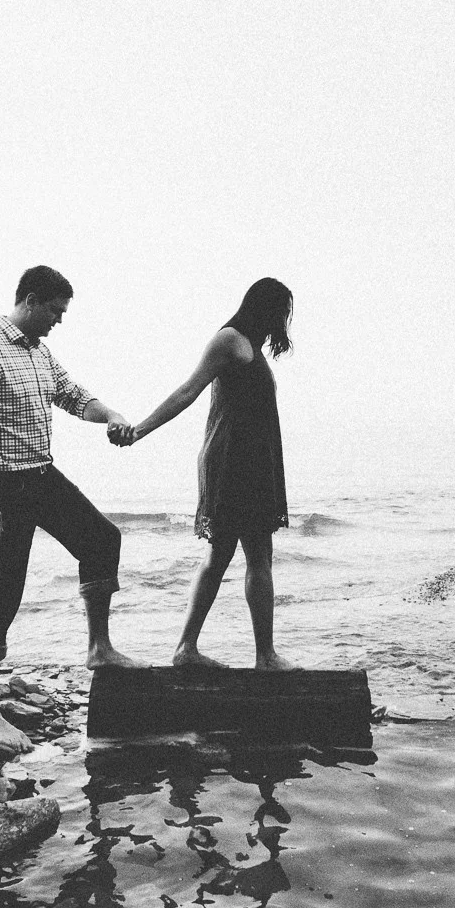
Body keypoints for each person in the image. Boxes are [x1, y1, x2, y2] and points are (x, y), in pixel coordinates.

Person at [0, 265, 146, 752]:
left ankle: (99, 649)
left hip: (40, 474)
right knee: (3, 586)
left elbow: (73, 397)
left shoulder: (38, 351)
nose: (59, 320)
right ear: (31, 300)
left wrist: (111, 414)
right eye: (55, 311)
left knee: (101, 540)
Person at [115, 278, 297, 670]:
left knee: (233, 554)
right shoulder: (229, 341)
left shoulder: (251, 347)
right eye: (282, 312)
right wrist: (139, 431)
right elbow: (187, 391)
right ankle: (259, 656)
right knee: (250, 554)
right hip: (235, 461)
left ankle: (194, 649)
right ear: (265, 308)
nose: (284, 321)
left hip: (252, 460)